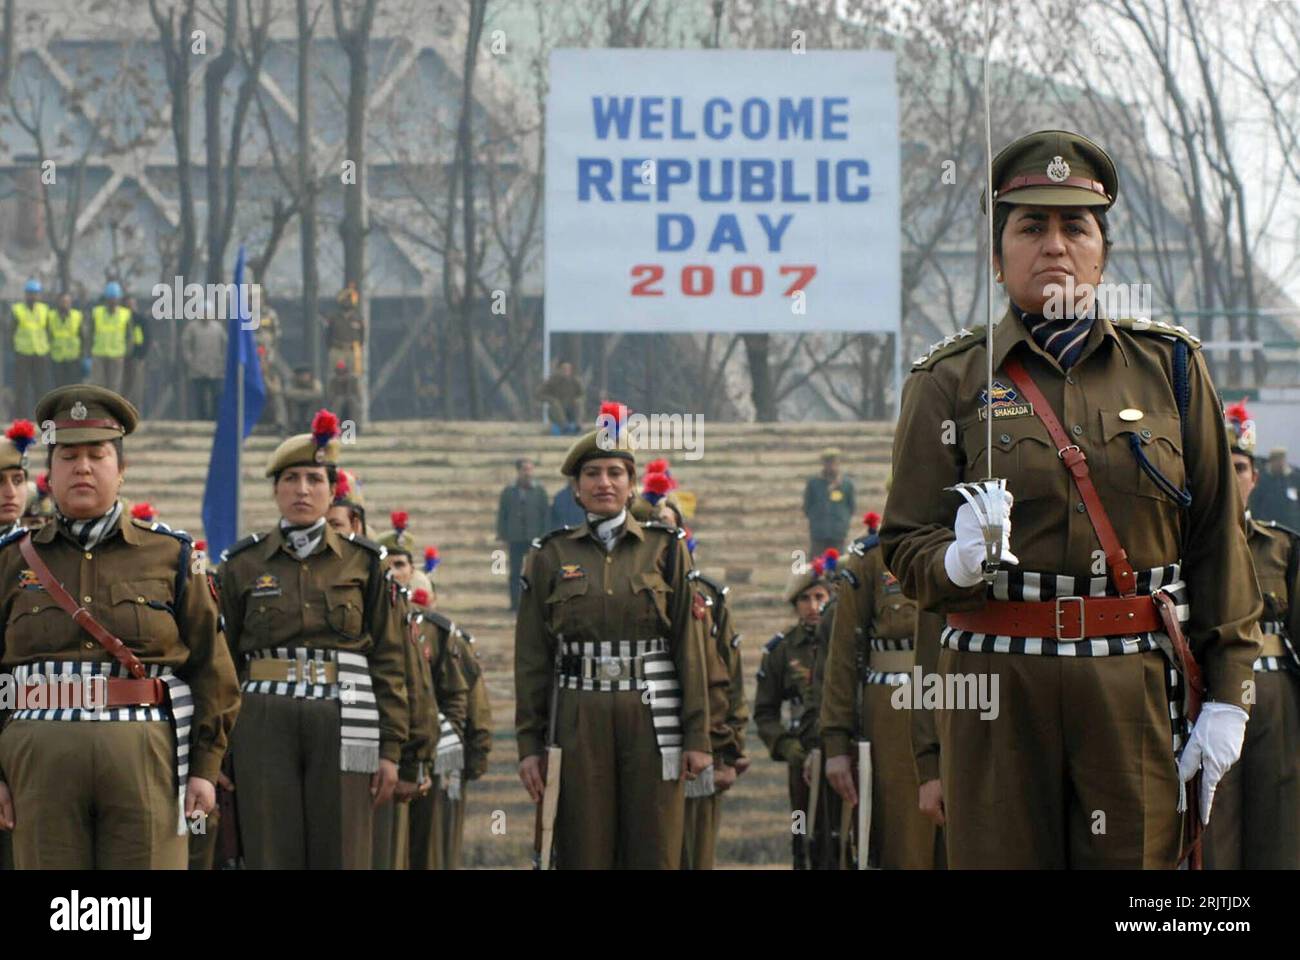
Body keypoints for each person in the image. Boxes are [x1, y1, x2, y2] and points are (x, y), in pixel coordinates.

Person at [881, 129, 1261, 868]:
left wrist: (1228, 694)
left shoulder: (1171, 372)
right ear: (997, 258)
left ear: (1101, 253)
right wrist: (957, 562)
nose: (1054, 244)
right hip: (995, 692)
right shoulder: (949, 382)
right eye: (1031, 226)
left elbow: (1217, 538)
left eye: (1074, 226)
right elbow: (903, 544)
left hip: (1132, 689)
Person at [0, 385, 240, 868]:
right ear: (48, 475)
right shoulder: (10, 559)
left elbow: (212, 669)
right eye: (68, 456)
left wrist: (205, 769)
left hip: (147, 758)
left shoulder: (174, 556)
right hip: (39, 761)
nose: (83, 467)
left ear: (121, 469)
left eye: (97, 454)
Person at [514, 402, 712, 869]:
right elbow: (532, 657)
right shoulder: (549, 555)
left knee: (655, 844)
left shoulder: (666, 549)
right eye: (593, 474)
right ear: (576, 489)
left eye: (616, 473)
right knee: (583, 847)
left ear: (631, 485)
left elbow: (690, 644)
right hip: (579, 717)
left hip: (652, 714)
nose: (604, 483)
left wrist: (698, 734)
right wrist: (529, 745)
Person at [218, 409, 409, 868]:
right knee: (270, 846)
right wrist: (217, 747)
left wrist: (391, 748)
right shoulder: (243, 563)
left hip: (347, 715)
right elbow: (220, 661)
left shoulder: (365, 562)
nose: (303, 490)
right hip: (264, 719)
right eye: (291, 480)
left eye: (314, 480)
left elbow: (389, 657)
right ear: (275, 490)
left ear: (331, 490)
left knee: (343, 847)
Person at [1202, 404, 1300, 868]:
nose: (1233, 477)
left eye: (1240, 467)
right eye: (1224, 467)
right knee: (1213, 825)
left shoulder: (1282, 547)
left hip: (1274, 698)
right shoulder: (1187, 553)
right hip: (1208, 694)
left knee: (1279, 821)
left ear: (1254, 478)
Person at [819, 510, 940, 869]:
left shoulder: (979, 546)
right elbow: (842, 656)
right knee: (906, 842)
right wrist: (836, 743)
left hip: (973, 701)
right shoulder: (871, 559)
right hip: (895, 712)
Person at [753, 551, 836, 869]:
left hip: (845, 751)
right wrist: (790, 749)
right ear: (795, 604)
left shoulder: (845, 641)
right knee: (803, 833)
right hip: (801, 756)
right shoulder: (782, 649)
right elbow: (765, 712)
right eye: (805, 599)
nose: (813, 606)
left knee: (843, 838)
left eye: (820, 596)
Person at [496, 457, 549, 611]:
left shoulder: (540, 492)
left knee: (536, 573)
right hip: (515, 538)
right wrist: (502, 534)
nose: (528, 473)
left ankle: (536, 605)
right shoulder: (508, 492)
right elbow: (502, 514)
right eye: (525, 469)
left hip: (535, 538)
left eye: (530, 469)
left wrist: (545, 536)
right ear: (518, 471)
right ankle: (514, 605)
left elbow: (545, 515)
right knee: (515, 573)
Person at [803, 447, 855, 556]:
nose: (831, 466)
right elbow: (807, 507)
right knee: (816, 566)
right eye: (828, 463)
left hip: (838, 534)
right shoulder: (814, 483)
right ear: (823, 464)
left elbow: (851, 507)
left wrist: (842, 521)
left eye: (833, 463)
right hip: (818, 533)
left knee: (838, 566)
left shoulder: (846, 484)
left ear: (838, 463)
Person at [10, 279, 50, 415]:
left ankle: (39, 415)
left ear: (39, 295)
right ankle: (22, 415)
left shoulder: (45, 310)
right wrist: (13, 350)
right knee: (21, 387)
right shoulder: (17, 310)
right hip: (23, 353)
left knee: (40, 386)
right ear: (25, 294)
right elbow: (10, 331)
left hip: (40, 353)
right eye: (30, 293)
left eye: (35, 293)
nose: (32, 296)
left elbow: (48, 331)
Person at [181, 308, 228, 421]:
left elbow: (225, 344)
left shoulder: (218, 328)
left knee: (216, 396)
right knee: (200, 397)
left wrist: (222, 361)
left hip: (216, 369)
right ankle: (201, 419)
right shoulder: (192, 327)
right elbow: (185, 345)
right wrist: (190, 361)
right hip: (197, 369)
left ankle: (215, 419)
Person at [90, 282, 132, 394]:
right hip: (99, 355)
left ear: (118, 299)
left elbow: (129, 336)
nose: (112, 301)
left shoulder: (125, 314)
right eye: (110, 298)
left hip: (117, 356)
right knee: (98, 386)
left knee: (114, 388)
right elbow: (90, 333)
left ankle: (112, 410)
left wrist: (126, 353)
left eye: (115, 298)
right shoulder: (97, 313)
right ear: (106, 299)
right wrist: (88, 354)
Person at [1252, 447, 1300, 529]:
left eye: (1282, 460)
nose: (1280, 463)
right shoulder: (1262, 478)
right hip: (1266, 524)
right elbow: (1255, 502)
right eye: (1277, 460)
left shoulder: (1293, 478)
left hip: (1290, 526)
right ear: (1271, 461)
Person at [47, 293, 84, 389]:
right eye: (62, 302)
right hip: (57, 358)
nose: (65, 304)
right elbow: (47, 336)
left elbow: (82, 336)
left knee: (73, 387)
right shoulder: (51, 316)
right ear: (58, 303)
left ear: (71, 303)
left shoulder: (77, 316)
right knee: (59, 387)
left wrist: (82, 354)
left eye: (67, 302)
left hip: (73, 358)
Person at [536, 359, 583, 434]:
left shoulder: (575, 381)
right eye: (564, 369)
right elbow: (539, 394)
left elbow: (581, 395)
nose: (566, 371)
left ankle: (577, 425)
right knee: (556, 403)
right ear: (560, 369)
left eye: (569, 369)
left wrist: (577, 400)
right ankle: (564, 427)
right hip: (556, 413)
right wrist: (551, 400)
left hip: (570, 411)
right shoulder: (553, 380)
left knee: (578, 402)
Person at [283, 366, 323, 434]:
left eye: (305, 375)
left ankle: (309, 424)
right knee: (291, 403)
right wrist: (306, 394)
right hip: (297, 402)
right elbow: (288, 393)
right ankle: (295, 425)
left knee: (315, 402)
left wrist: (301, 394)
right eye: (301, 375)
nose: (303, 377)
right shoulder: (292, 382)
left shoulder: (315, 382)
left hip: (310, 403)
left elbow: (318, 393)